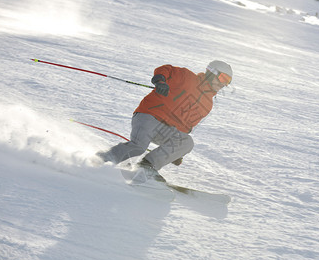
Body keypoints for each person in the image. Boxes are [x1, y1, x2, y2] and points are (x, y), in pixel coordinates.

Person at [97, 60, 233, 179]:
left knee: (186, 142)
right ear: (211, 73)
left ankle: (146, 167)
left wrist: (176, 153)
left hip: (165, 129)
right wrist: (160, 81)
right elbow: (166, 69)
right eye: (222, 78)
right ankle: (101, 160)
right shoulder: (187, 77)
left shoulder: (207, 104)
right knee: (138, 146)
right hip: (149, 115)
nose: (223, 84)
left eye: (227, 82)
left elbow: (185, 127)